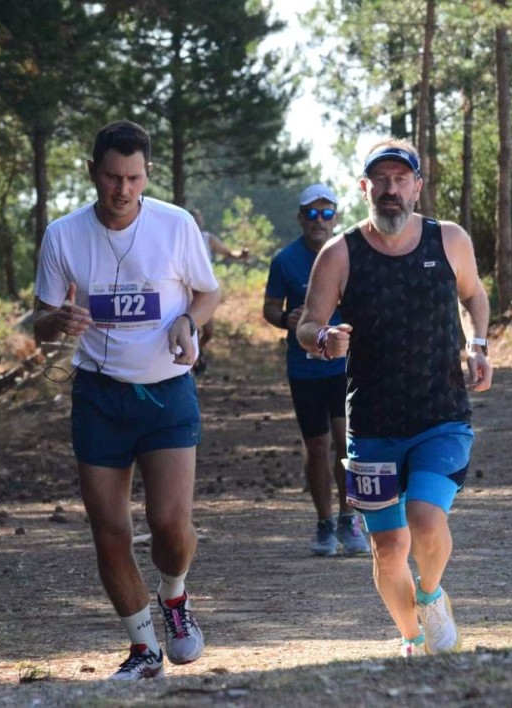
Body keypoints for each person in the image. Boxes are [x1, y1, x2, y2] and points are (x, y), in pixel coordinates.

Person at [33, 120, 221, 680]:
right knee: (110, 530)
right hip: (98, 394)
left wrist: (189, 320)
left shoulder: (175, 224)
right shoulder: (63, 236)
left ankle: (176, 598)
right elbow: (41, 322)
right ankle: (143, 650)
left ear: (147, 176)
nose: (123, 190)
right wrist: (58, 320)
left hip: (166, 391)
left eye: (134, 178)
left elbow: (209, 291)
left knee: (169, 523)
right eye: (112, 177)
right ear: (93, 173)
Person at [296, 139, 493, 658]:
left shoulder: (447, 240)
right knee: (388, 549)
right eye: (379, 180)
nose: (390, 190)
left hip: (441, 414)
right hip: (373, 425)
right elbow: (308, 323)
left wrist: (478, 344)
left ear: (417, 187)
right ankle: (412, 638)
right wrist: (322, 339)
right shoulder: (339, 253)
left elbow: (474, 293)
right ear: (364, 189)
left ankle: (431, 597)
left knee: (427, 520)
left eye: (400, 179)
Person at [263, 184, 370, 557]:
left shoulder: (349, 252)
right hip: (304, 368)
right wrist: (284, 319)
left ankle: (348, 517)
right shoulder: (285, 261)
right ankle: (324, 522)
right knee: (317, 445)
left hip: (343, 364)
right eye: (311, 213)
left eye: (326, 213)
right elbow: (271, 308)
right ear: (300, 218)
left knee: (346, 443)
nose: (319, 221)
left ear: (336, 216)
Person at [189, 208, 248, 375]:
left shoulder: (207, 238)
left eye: (199, 218)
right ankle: (191, 363)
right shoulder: (180, 237)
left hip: (204, 292)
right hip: (186, 292)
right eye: (194, 218)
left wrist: (240, 255)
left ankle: (198, 352)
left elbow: (228, 252)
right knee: (192, 328)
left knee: (208, 331)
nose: (197, 222)